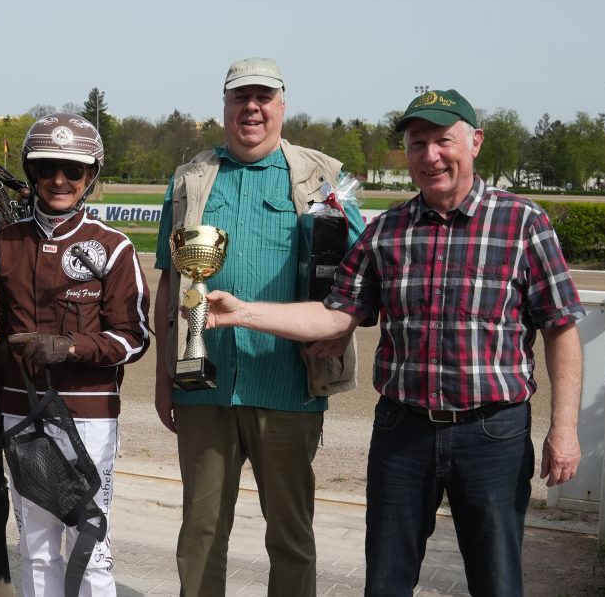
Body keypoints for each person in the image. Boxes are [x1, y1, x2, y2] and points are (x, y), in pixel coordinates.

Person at [204, 89, 584, 597]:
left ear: (475, 142)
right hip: (402, 435)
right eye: (417, 144)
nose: (431, 156)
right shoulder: (387, 230)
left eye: (443, 141)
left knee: (497, 581)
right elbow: (335, 314)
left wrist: (564, 429)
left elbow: (561, 327)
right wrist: (242, 313)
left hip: (492, 436)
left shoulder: (522, 223)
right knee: (386, 582)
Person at [153, 57, 364, 596]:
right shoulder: (189, 179)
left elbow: (358, 281)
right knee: (200, 534)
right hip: (202, 382)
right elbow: (168, 287)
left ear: (282, 106)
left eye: (263, 97)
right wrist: (162, 378)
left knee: (290, 536)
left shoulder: (324, 178)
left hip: (288, 385)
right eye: (240, 97)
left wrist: (338, 333)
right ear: (224, 105)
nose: (252, 108)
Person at [0, 113, 150, 596]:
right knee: (36, 547)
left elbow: (134, 338)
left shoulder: (114, 247)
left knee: (90, 546)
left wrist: (69, 347)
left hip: (88, 415)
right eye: (47, 168)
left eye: (73, 170)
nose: (60, 180)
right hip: (21, 413)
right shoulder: (4, 243)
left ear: (90, 176)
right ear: (32, 172)